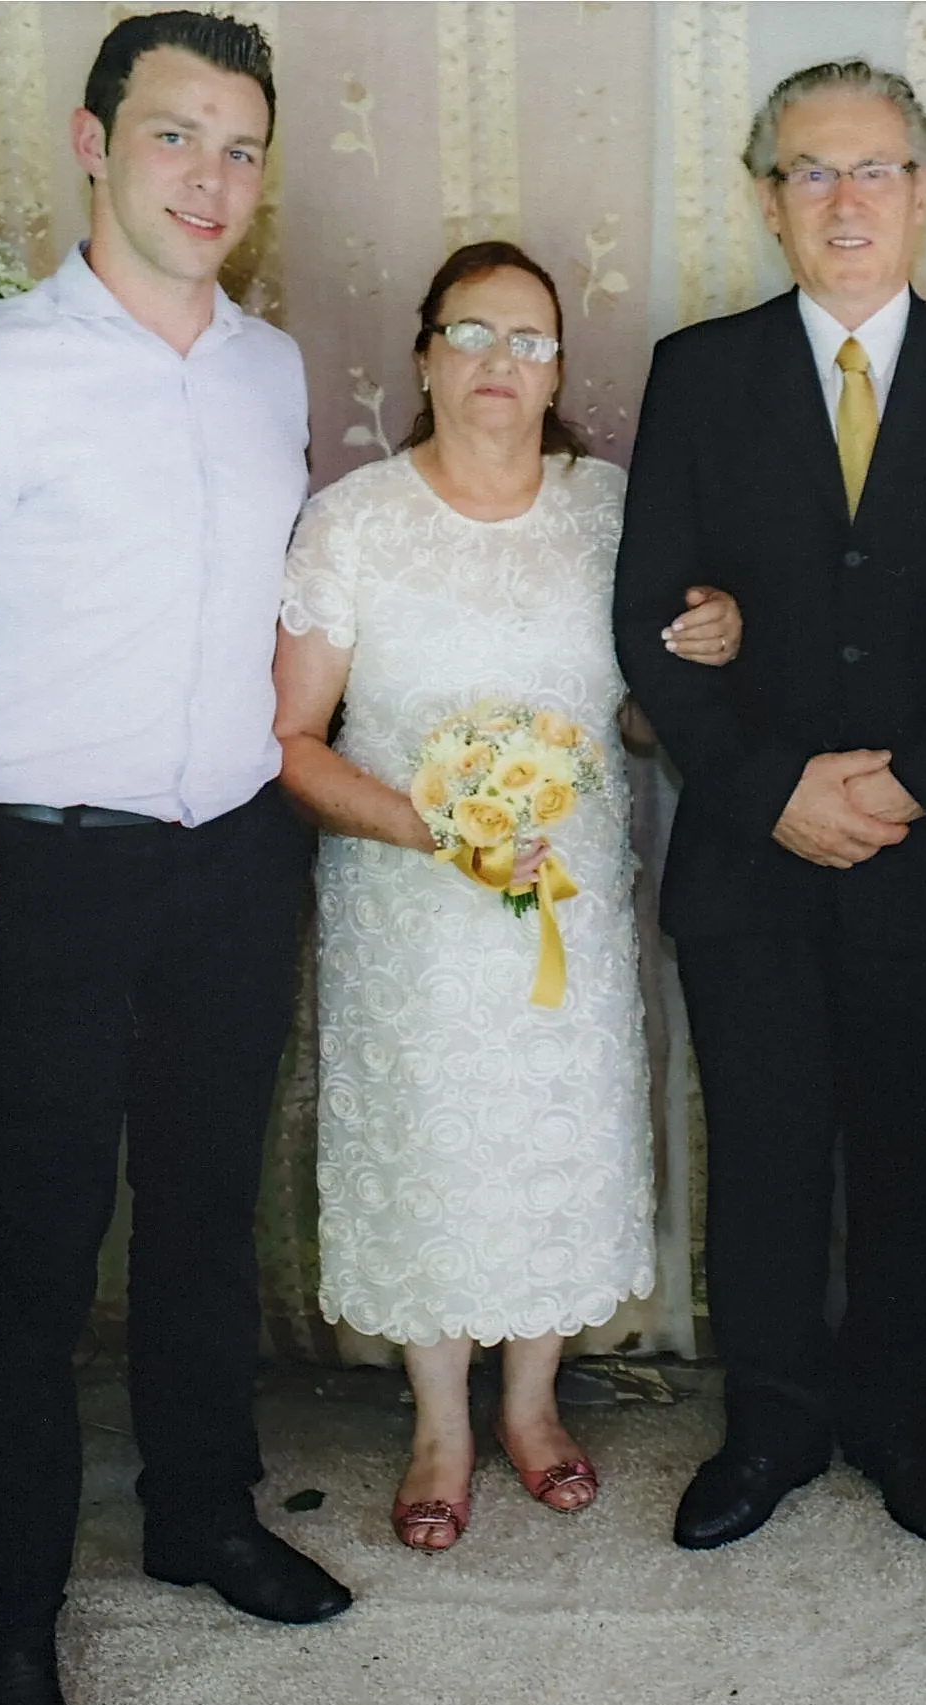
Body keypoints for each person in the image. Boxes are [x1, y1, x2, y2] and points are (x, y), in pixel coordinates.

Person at [0, 15, 348, 1705]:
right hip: (34, 870)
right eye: (179, 135)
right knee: (33, 1269)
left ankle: (198, 1512)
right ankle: (3, 1626)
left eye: (242, 147)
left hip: (231, 863)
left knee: (207, 1226)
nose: (211, 176)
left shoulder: (270, 373)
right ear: (92, 143)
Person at [612, 60, 926, 1551]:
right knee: (761, 1151)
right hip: (750, 858)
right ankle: (767, 1422)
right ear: (768, 200)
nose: (845, 201)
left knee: (907, 1146)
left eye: (874, 170)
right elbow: (647, 619)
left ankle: (896, 1416)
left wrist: (907, 780)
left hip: (924, 857)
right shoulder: (697, 373)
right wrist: (771, 791)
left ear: (924, 191)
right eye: (811, 173)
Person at [271, 242, 740, 1553]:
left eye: (528, 339)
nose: (499, 362)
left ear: (557, 371)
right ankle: (439, 1422)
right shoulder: (353, 520)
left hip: (568, 917)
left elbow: (643, 722)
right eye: (470, 333)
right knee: (429, 1146)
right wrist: (436, 828)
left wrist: (706, 651)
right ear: (423, 356)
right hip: (407, 912)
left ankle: (533, 1404)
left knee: (555, 1143)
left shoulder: (613, 511)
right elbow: (294, 740)